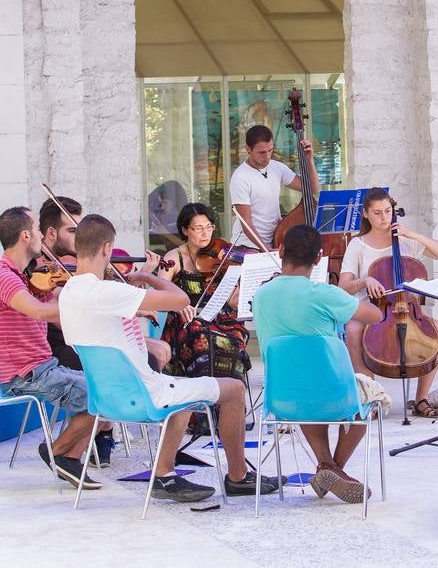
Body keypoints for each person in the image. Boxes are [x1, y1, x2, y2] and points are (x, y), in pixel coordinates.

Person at [59, 213, 279, 503]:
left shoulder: (69, 293)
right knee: (234, 389)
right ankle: (238, 477)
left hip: (107, 400)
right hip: (145, 394)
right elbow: (180, 300)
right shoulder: (107, 291)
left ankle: (164, 473)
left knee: (182, 386)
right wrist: (150, 276)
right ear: (106, 249)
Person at [253, 224, 383, 503]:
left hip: (282, 395)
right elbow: (374, 316)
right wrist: (359, 287)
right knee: (368, 397)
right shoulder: (324, 294)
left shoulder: (261, 295)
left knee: (305, 388)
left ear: (281, 251)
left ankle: (326, 466)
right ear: (318, 258)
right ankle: (332, 467)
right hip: (333, 392)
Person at [39, 195, 171, 465]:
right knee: (132, 362)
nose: (81, 237)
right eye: (73, 230)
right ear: (51, 233)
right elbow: (70, 316)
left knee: (151, 352)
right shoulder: (43, 272)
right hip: (59, 347)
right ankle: (101, 430)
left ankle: (105, 430)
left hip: (86, 339)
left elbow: (107, 306)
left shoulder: (79, 270)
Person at [0, 206, 102, 490]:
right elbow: (38, 311)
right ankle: (58, 451)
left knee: (105, 386)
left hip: (43, 368)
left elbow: (56, 295)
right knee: (103, 396)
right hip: (25, 375)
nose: (41, 238)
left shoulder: (24, 276)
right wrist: (80, 308)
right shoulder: (5, 277)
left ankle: (68, 456)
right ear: (24, 236)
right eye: (36, 232)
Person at [339, 187, 438, 417]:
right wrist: (365, 280)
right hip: (372, 307)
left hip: (406, 308)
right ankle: (370, 397)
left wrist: (413, 235)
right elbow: (344, 286)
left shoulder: (405, 242)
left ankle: (421, 399)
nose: (384, 218)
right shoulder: (357, 245)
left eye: (388, 211)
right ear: (365, 214)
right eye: (378, 213)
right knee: (352, 329)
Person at [159, 203, 250, 385]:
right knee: (201, 337)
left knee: (235, 341)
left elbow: (233, 302)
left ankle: (228, 400)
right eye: (198, 228)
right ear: (185, 230)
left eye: (209, 227)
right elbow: (161, 295)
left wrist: (237, 300)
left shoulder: (222, 256)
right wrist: (179, 306)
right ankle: (203, 403)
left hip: (223, 322)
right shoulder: (173, 258)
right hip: (186, 324)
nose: (205, 233)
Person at [230, 124, 319, 250]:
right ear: (248, 149)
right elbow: (246, 224)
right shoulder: (240, 177)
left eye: (270, 150)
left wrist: (309, 160)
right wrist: (267, 250)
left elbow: (312, 188)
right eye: (261, 152)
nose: (267, 156)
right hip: (247, 245)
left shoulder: (277, 167)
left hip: (273, 241)